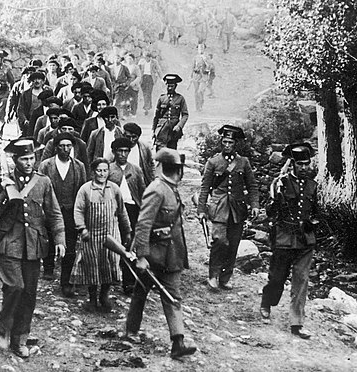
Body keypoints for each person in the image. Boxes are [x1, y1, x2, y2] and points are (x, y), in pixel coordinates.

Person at [0, 137, 66, 358]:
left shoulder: (43, 182)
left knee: (29, 293)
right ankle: (4, 327)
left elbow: (54, 213)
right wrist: (5, 192)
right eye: (24, 159)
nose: (29, 162)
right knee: (15, 287)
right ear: (15, 160)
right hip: (9, 242)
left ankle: (20, 338)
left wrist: (60, 239)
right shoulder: (2, 180)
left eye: (32, 158)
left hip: (33, 244)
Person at [125, 148, 196, 360]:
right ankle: (131, 330)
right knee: (141, 292)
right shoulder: (156, 189)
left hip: (172, 255)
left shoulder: (171, 188)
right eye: (177, 170)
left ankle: (178, 342)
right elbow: (143, 224)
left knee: (173, 296)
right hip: (153, 256)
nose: (179, 174)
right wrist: (142, 256)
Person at [260, 143, 318, 340]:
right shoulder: (281, 183)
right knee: (277, 278)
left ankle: (297, 323)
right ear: (292, 164)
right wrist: (276, 195)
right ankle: (267, 302)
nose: (304, 168)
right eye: (300, 164)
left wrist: (313, 222)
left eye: (307, 164)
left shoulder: (312, 186)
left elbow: (317, 211)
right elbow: (270, 211)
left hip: (305, 241)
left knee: (301, 281)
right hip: (284, 238)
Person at [197, 125, 260, 291]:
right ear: (221, 142)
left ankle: (224, 278)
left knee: (233, 245)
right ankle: (212, 276)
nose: (227, 145)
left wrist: (254, 205)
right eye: (224, 141)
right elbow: (205, 188)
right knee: (219, 241)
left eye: (230, 142)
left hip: (237, 209)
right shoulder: (213, 162)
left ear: (236, 144)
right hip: (219, 208)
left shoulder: (243, 162)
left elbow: (252, 186)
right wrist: (201, 210)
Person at [70, 158, 131, 312]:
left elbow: (122, 211)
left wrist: (127, 230)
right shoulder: (85, 190)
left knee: (110, 264)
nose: (102, 173)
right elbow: (78, 210)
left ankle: (104, 295)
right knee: (92, 265)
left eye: (105, 170)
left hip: (111, 234)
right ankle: (92, 298)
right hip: (91, 235)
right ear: (93, 172)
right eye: (99, 170)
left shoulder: (114, 189)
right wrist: (82, 228)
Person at [38, 132, 87, 297]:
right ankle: (49, 267)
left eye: (68, 146)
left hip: (71, 211)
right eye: (62, 146)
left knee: (70, 246)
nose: (65, 149)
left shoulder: (79, 166)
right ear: (56, 147)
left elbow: (82, 192)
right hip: (51, 209)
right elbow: (39, 188)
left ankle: (66, 281)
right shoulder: (46, 165)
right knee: (50, 239)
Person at [108, 138, 146, 295]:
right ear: (114, 152)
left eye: (126, 151)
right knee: (112, 242)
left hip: (131, 209)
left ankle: (129, 281)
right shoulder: (108, 169)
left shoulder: (135, 170)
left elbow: (142, 191)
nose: (123, 154)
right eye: (119, 151)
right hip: (112, 210)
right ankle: (110, 277)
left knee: (129, 243)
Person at [152, 74, 189, 150]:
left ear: (175, 86)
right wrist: (154, 130)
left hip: (173, 129)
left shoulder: (180, 98)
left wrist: (179, 126)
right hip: (162, 128)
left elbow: (185, 115)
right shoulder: (162, 98)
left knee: (172, 150)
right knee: (160, 150)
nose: (169, 88)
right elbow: (157, 116)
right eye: (168, 86)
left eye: (172, 86)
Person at [6, 66, 34, 136]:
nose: (29, 75)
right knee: (22, 134)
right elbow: (11, 100)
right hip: (20, 112)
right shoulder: (18, 86)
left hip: (33, 113)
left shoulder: (37, 86)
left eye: (31, 73)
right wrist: (8, 113)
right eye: (27, 74)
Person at [110, 55, 132, 119]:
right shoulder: (110, 68)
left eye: (118, 58)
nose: (116, 60)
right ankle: (117, 115)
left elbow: (129, 77)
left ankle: (116, 116)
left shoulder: (124, 68)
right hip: (112, 87)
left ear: (120, 59)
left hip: (120, 87)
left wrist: (126, 84)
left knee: (117, 102)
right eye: (115, 58)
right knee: (112, 101)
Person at [124, 54, 142, 118]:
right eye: (128, 59)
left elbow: (139, 77)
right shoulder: (124, 66)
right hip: (126, 86)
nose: (129, 60)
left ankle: (133, 113)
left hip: (134, 86)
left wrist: (134, 82)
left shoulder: (135, 67)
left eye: (130, 59)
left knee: (134, 100)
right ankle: (126, 113)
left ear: (133, 60)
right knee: (125, 99)